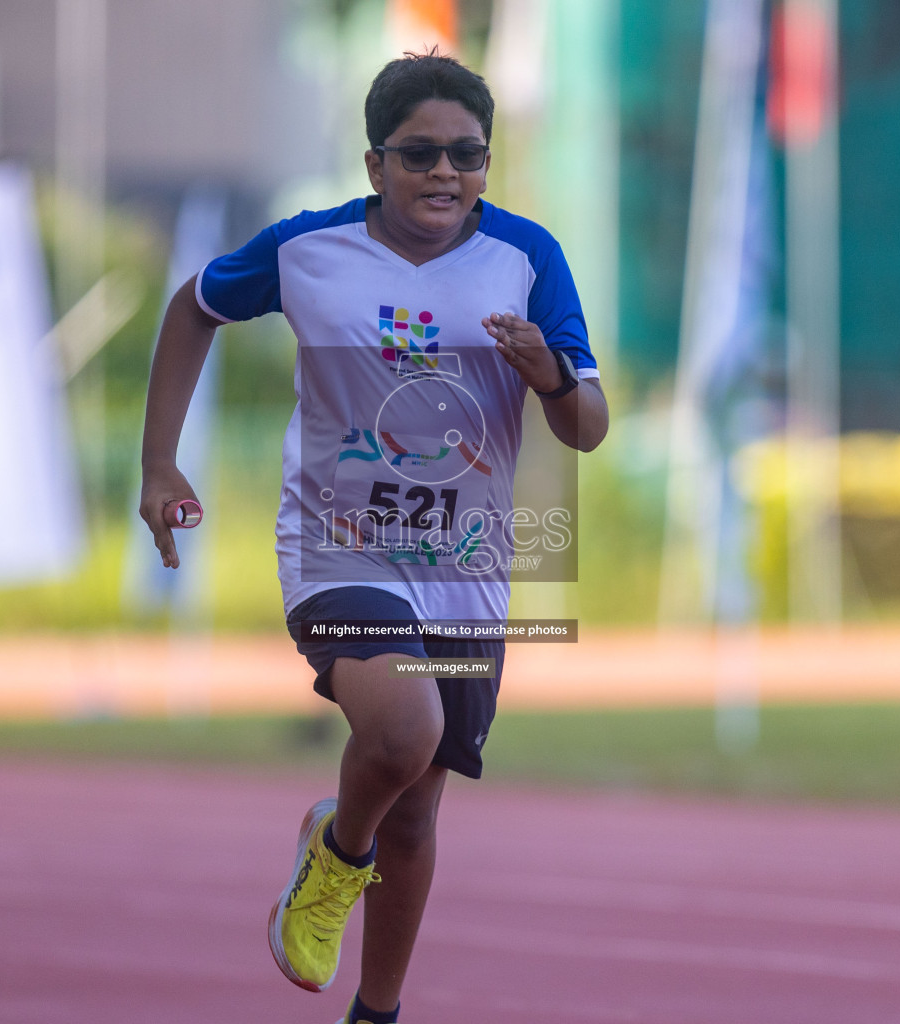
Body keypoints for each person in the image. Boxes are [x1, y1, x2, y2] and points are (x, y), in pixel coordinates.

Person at [139, 51, 608, 1024]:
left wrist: (551, 375)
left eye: (468, 155)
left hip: (465, 568)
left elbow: (587, 426)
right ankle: (333, 855)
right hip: (339, 544)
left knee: (421, 809)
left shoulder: (528, 258)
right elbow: (194, 306)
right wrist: (159, 463)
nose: (446, 173)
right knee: (403, 729)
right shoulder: (306, 249)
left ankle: (378, 1010)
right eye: (422, 154)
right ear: (374, 163)